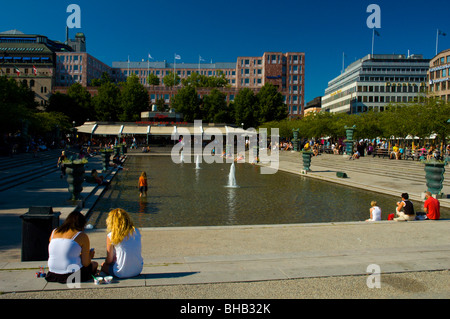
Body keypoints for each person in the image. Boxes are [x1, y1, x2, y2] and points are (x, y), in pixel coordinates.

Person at [45, 211, 98, 283]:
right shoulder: (81, 235)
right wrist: (89, 256)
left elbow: (61, 253)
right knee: (94, 264)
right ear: (82, 224)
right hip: (72, 275)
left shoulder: (54, 232)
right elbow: (86, 263)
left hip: (52, 273)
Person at [100, 208, 144, 278]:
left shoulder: (111, 235)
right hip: (137, 269)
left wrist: (105, 263)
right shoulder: (136, 231)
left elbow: (109, 260)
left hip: (120, 272)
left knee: (103, 265)